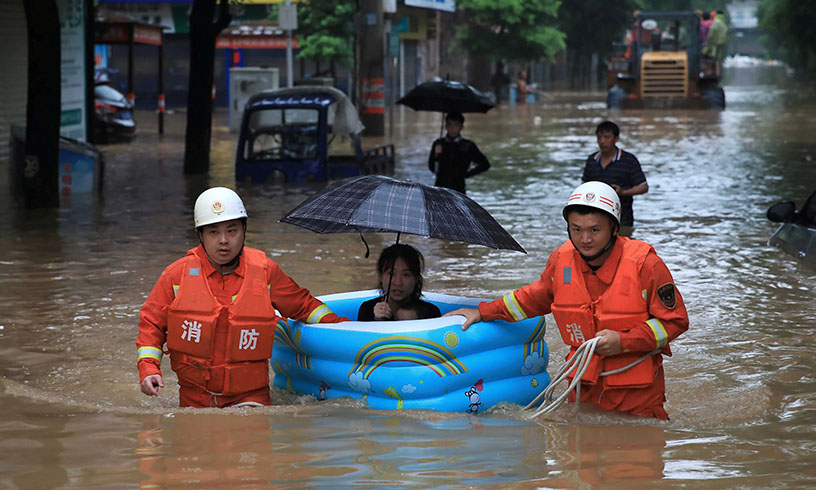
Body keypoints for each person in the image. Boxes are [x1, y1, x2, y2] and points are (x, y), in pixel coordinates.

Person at [444, 181, 689, 420]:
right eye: (576, 229)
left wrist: (623, 341)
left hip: (638, 399)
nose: (585, 239)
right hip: (583, 391)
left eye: (594, 230)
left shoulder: (646, 264)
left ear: (614, 228)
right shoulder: (561, 260)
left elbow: (675, 321)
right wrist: (483, 312)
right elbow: (531, 299)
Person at [136, 187, 348, 408]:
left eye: (232, 230)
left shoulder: (266, 271)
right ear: (200, 235)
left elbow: (305, 307)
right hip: (194, 399)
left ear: (244, 230)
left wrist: (347, 328)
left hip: (251, 398)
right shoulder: (175, 275)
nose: (224, 240)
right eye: (213, 232)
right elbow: (151, 325)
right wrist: (149, 369)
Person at [582, 120, 648, 237]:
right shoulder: (592, 160)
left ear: (616, 139)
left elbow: (643, 187)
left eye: (607, 137)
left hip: (623, 219)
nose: (602, 141)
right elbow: (584, 187)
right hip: (595, 218)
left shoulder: (628, 160)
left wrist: (623, 192)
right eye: (599, 137)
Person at [357, 244, 441, 321]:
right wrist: (377, 321)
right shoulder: (367, 309)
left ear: (416, 278)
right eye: (391, 273)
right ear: (380, 277)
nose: (398, 282)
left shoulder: (430, 313)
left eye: (406, 275)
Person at [428, 112, 491, 195]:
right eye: (450, 125)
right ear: (446, 126)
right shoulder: (439, 144)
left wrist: (466, 174)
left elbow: (485, 164)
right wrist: (436, 156)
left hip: (458, 189)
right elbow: (433, 168)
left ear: (461, 127)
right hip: (440, 189)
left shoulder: (468, 146)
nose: (452, 128)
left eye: (456, 125)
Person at [702, 10, 728, 78]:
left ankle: (709, 71)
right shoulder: (723, 23)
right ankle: (718, 73)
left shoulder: (716, 22)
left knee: (711, 57)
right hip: (722, 43)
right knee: (718, 59)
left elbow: (712, 32)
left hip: (713, 43)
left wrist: (708, 40)